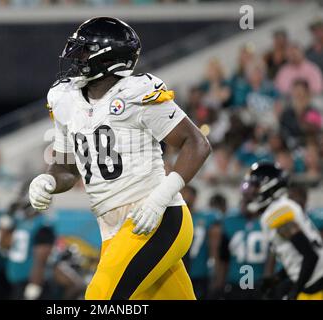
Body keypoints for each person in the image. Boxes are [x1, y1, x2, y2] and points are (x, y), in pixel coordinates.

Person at [29, 17, 211, 300]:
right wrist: (47, 180)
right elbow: (67, 166)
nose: (76, 57)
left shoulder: (135, 93)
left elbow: (196, 143)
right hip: (112, 229)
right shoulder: (64, 97)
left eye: (85, 51)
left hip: (156, 217)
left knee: (100, 299)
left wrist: (160, 197)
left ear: (107, 58)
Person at [245, 162, 323, 300]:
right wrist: (277, 278)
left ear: (268, 186)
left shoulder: (277, 211)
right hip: (313, 282)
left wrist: (294, 291)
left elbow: (311, 256)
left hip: (316, 286)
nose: (250, 191)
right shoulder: (280, 207)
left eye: (255, 186)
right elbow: (297, 257)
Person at [212, 177, 269, 300]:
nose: (245, 202)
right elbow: (223, 257)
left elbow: (273, 257)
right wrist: (219, 285)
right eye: (244, 197)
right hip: (235, 283)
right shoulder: (230, 221)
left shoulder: (267, 220)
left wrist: (269, 283)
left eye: (249, 198)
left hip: (260, 283)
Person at [0, 198, 55, 300]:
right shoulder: (21, 221)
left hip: (30, 281)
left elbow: (41, 259)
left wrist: (35, 284)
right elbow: (3, 244)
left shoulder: (43, 225)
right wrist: (6, 220)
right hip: (16, 281)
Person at [183, 186, 221, 300]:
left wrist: (215, 269)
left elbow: (214, 248)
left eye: (187, 193)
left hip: (199, 270)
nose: (184, 196)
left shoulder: (206, 218)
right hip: (179, 270)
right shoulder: (172, 216)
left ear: (194, 197)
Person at [279, 79, 322, 150]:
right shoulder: (287, 112)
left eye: (301, 90)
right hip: (289, 147)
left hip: (309, 147)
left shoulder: (313, 111)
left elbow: (315, 131)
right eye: (296, 90)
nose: (298, 94)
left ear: (306, 92)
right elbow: (283, 130)